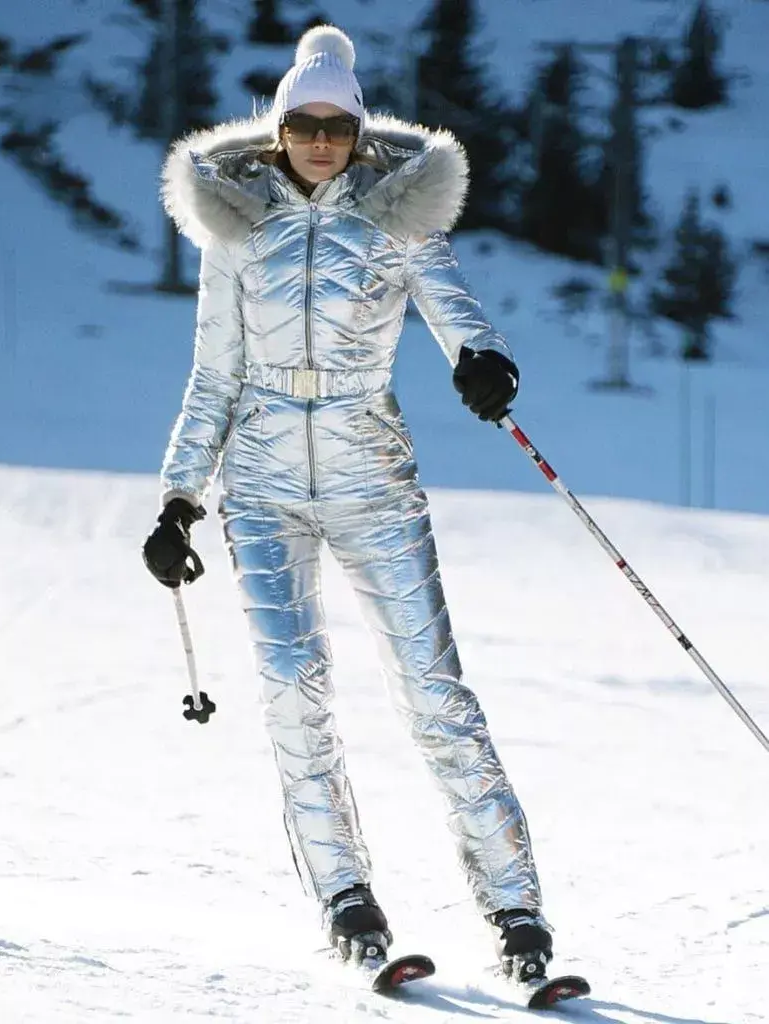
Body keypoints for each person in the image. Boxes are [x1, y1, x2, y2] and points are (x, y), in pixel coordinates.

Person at [143, 24, 553, 981]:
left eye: (337, 126)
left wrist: (483, 360)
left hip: (373, 476)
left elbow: (456, 309)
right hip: (263, 484)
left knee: (434, 694)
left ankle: (517, 911)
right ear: (280, 129)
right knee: (294, 693)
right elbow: (212, 380)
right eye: (304, 125)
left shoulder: (396, 218)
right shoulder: (236, 229)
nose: (321, 141)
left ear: (360, 135)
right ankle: (346, 898)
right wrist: (177, 501)